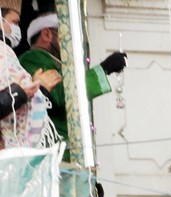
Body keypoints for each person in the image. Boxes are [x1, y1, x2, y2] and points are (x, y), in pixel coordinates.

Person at [19, 12, 127, 154]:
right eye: (65, 36)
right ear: (46, 34)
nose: (69, 44)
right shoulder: (34, 57)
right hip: (52, 149)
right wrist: (104, 68)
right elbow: (61, 95)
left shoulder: (54, 61)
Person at [0, 1, 61, 148]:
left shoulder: (7, 53)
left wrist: (31, 92)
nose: (16, 29)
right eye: (14, 22)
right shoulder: (33, 57)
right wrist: (19, 93)